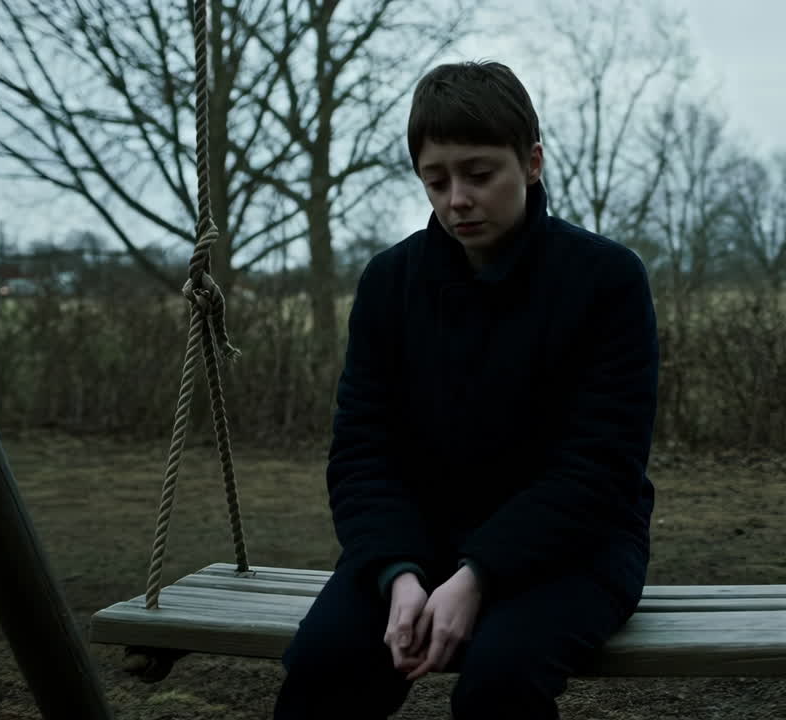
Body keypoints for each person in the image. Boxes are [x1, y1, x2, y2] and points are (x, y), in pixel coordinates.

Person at [272, 60, 659, 719]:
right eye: (436, 180)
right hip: (416, 546)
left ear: (531, 162)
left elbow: (600, 468)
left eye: (479, 175)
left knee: (498, 682)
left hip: (576, 550)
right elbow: (362, 451)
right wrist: (398, 575)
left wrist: (479, 574)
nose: (457, 199)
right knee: (324, 666)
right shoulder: (389, 284)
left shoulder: (606, 280)